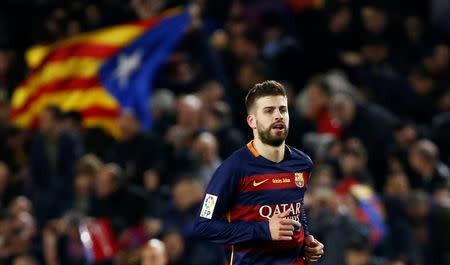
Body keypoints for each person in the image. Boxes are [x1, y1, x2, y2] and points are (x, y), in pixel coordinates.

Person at [193, 80, 324, 264]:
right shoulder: (232, 169)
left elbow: (296, 208)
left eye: (283, 110)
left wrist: (306, 239)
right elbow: (203, 226)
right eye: (269, 110)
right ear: (252, 121)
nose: (278, 116)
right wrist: (263, 230)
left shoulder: (302, 163)